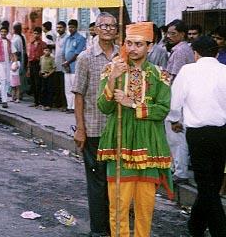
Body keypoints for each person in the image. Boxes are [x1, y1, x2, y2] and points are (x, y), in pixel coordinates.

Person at [97, 21, 173, 237]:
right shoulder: (112, 70)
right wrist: (112, 79)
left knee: (145, 208)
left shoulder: (161, 75)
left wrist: (132, 104)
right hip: (119, 143)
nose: (132, 48)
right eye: (129, 43)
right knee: (118, 207)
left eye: (139, 44)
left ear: (150, 46)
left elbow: (162, 110)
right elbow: (104, 107)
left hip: (148, 145)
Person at [167, 36, 226, 237]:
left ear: (196, 53)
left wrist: (174, 119)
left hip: (197, 133)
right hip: (221, 132)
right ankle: (196, 226)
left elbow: (175, 100)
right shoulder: (224, 71)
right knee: (213, 182)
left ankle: (219, 230)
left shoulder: (188, 71)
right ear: (217, 53)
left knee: (205, 184)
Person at [72, 13, 120, 237]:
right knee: (98, 182)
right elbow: (79, 95)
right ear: (96, 29)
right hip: (94, 128)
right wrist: (80, 128)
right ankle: (99, 230)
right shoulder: (86, 57)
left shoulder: (125, 55)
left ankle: (115, 228)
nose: (109, 29)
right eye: (104, 26)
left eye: (112, 26)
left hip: (120, 130)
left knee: (118, 182)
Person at [165, 19, 195, 183]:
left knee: (177, 137)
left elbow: (173, 79)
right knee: (176, 137)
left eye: (173, 33)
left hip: (177, 99)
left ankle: (180, 172)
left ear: (182, 34)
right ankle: (177, 169)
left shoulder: (181, 51)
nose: (169, 36)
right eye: (168, 33)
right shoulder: (181, 50)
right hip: (181, 99)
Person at [62, 19, 86, 114]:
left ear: (76, 27)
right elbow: (63, 52)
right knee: (67, 88)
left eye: (72, 27)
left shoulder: (80, 39)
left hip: (75, 66)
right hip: (67, 67)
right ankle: (69, 106)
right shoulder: (67, 39)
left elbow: (77, 54)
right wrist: (65, 62)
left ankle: (74, 107)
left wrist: (68, 62)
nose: (70, 29)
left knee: (74, 88)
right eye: (69, 27)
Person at [0, 25, 16, 108]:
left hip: (7, 63)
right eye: (2, 32)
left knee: (7, 81)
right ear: (0, 32)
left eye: (5, 32)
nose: (3, 33)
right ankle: (4, 101)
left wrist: (15, 62)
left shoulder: (9, 42)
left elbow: (13, 53)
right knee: (4, 80)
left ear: (7, 33)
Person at [27, 27, 46, 107]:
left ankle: (40, 102)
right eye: (34, 33)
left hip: (39, 64)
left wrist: (42, 67)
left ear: (40, 34)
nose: (35, 35)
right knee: (33, 84)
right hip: (32, 64)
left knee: (39, 84)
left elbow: (44, 56)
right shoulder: (31, 43)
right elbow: (29, 56)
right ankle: (35, 101)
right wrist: (28, 68)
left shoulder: (43, 44)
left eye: (37, 33)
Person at [54, 21, 68, 110]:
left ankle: (65, 105)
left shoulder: (67, 38)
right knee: (58, 86)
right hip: (57, 65)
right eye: (57, 27)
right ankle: (58, 104)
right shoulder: (57, 37)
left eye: (60, 27)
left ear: (64, 28)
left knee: (64, 86)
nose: (58, 29)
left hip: (64, 66)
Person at [39, 47, 55, 111]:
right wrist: (40, 71)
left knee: (49, 90)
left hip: (49, 75)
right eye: (45, 50)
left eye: (48, 51)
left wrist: (48, 74)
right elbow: (40, 65)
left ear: (50, 52)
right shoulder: (41, 58)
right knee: (43, 89)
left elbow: (54, 68)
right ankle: (43, 104)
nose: (46, 52)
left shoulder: (52, 59)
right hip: (43, 74)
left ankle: (49, 105)